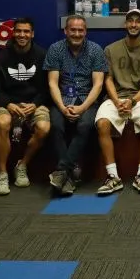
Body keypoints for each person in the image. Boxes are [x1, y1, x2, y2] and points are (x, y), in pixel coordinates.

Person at [93, 9, 140, 196]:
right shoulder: (111, 49)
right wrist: (116, 101)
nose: (134, 24)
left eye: (138, 21)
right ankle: (113, 177)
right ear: (125, 24)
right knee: (102, 123)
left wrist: (132, 101)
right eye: (130, 21)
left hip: (139, 98)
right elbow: (108, 80)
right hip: (115, 97)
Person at [44, 15, 107, 196]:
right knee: (55, 125)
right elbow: (52, 83)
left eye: (80, 30)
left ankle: (61, 171)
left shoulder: (95, 50)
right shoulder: (55, 49)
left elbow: (98, 85)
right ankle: (68, 176)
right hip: (62, 99)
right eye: (73, 30)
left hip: (87, 99)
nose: (77, 34)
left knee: (85, 125)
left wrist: (82, 107)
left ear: (85, 31)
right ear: (66, 31)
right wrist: (63, 108)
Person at [0, 17, 51, 195]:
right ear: (13, 32)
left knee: (44, 128)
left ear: (32, 34)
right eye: (18, 31)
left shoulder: (41, 55)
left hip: (33, 103)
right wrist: (8, 104)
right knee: (2, 123)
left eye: (26, 31)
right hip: (8, 103)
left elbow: (47, 88)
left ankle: (22, 165)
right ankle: (2, 174)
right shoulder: (1, 56)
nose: (22, 35)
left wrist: (35, 105)